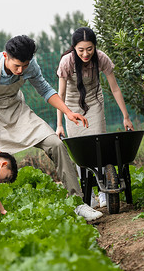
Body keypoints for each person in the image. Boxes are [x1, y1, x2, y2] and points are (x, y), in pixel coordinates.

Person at [0, 35, 103, 221]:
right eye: (16, 65)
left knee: (56, 144)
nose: (20, 70)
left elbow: (45, 90)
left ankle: (78, 203)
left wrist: (68, 112)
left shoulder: (29, 66)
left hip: (17, 111)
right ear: (5, 56)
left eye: (24, 66)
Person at [56, 27, 134, 208]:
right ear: (74, 47)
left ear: (95, 47)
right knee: (80, 152)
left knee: (100, 147)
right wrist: (60, 124)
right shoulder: (66, 62)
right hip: (72, 107)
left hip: (94, 104)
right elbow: (60, 95)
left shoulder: (101, 58)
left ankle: (105, 192)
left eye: (89, 49)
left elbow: (114, 88)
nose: (85, 53)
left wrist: (126, 116)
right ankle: (87, 195)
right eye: (81, 49)